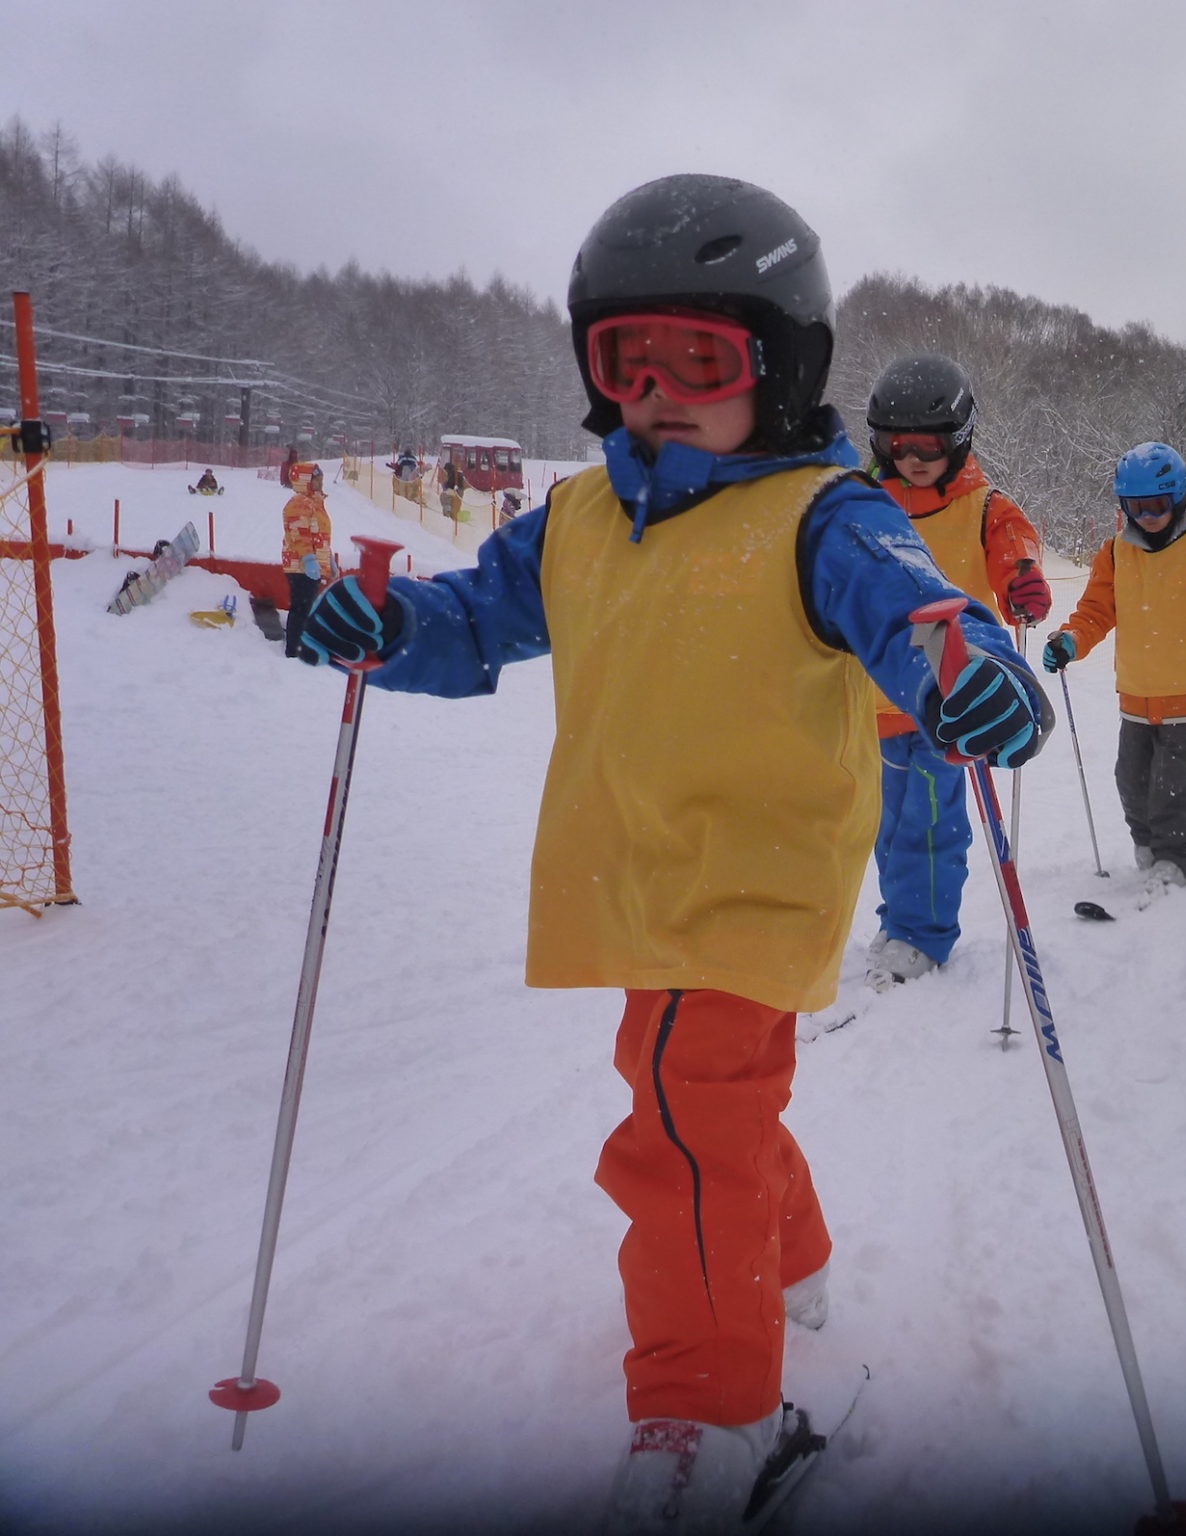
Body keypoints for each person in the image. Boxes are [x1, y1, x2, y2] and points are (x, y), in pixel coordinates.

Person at [294, 174, 1047, 1533]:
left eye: (697, 359)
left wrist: (968, 668)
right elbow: (473, 615)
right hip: (633, 873)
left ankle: (716, 1411)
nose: (656, 391)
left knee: (680, 1121)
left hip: (757, 875)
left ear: (786, 363)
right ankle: (789, 1261)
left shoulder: (826, 513)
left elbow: (918, 609)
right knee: (706, 1098)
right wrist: (384, 626)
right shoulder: (579, 521)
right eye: (621, 360)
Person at [862, 353, 1048, 989]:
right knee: (886, 822)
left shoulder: (983, 504)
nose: (913, 458)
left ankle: (923, 931)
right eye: (898, 443)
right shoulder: (858, 503)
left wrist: (1022, 578)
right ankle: (899, 916)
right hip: (881, 693)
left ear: (959, 439)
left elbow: (1015, 541)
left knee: (932, 818)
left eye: (929, 444)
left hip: (954, 691)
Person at [1040, 440, 1186, 889]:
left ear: (1177, 497)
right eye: (1135, 506)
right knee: (1131, 778)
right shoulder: (1116, 552)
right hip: (1137, 691)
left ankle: (1175, 858)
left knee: (1172, 781)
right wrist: (1071, 641)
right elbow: (1096, 612)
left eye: (1157, 504)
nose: (1148, 515)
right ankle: (1148, 846)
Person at [278, 462, 334, 659]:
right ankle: (294, 650)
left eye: (320, 478)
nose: (320, 482)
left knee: (307, 606)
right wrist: (309, 559)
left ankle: (302, 644)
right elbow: (299, 535)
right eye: (316, 478)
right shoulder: (299, 504)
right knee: (301, 608)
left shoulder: (313, 503)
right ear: (305, 481)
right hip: (300, 565)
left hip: (311, 565)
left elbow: (319, 535)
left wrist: (328, 559)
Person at [438, 453, 468, 518]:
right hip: (455, 490)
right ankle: (449, 512)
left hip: (457, 490)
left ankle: (447, 513)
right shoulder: (453, 472)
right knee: (447, 497)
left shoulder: (454, 473)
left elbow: (453, 484)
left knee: (444, 496)